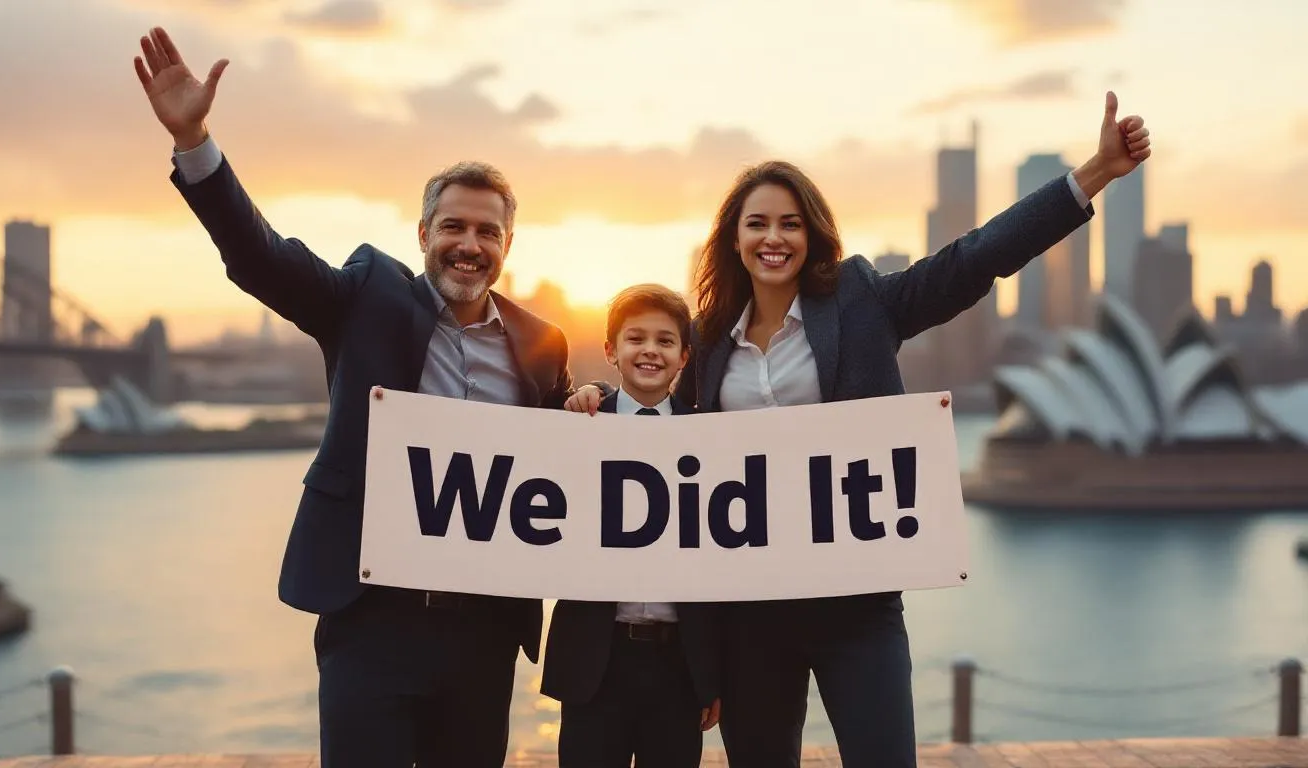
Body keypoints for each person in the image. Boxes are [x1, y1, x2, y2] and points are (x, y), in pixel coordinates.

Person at [565, 92, 1152, 766]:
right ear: (734, 237)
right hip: (752, 615)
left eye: (789, 223)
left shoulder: (861, 301)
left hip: (858, 607)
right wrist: (595, 399)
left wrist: (1096, 172)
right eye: (757, 224)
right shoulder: (707, 342)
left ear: (812, 233)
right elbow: (656, 416)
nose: (773, 238)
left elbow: (976, 258)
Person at [132, 26, 594, 767]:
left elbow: (564, 453)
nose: (469, 244)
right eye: (453, 227)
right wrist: (195, 140)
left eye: (487, 231)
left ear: (510, 245)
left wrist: (589, 404)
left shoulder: (544, 342)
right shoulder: (368, 295)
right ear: (422, 233)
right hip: (369, 621)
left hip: (483, 633)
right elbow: (260, 256)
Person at [540, 284, 723, 767]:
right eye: (635, 338)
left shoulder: (711, 438)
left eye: (665, 341)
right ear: (610, 350)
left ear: (684, 357)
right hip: (596, 661)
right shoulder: (580, 424)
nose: (649, 350)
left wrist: (712, 675)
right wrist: (588, 396)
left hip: (679, 665)